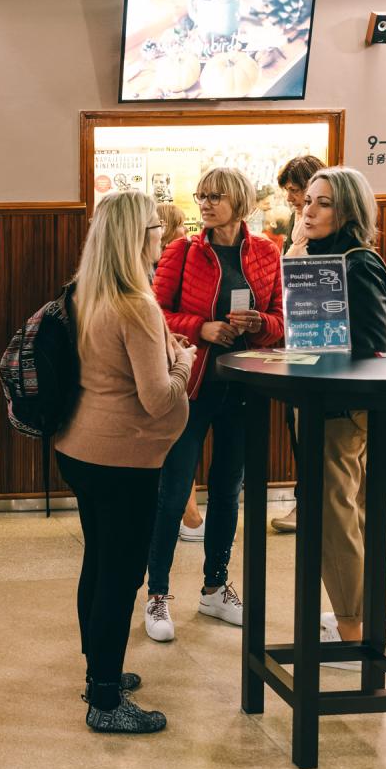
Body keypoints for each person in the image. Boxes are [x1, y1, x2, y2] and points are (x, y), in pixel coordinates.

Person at [55, 190, 194, 732]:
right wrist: (183, 362)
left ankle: (100, 671)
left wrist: (163, 351)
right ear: (139, 237)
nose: (163, 235)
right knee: (121, 576)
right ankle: (107, 703)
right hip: (124, 457)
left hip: (80, 447)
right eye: (156, 227)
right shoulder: (136, 304)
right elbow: (158, 398)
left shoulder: (85, 293)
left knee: (99, 563)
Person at [143, 167, 284, 642]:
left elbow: (281, 319)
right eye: (201, 196)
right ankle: (157, 593)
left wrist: (259, 323)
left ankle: (215, 587)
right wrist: (201, 328)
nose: (204, 204)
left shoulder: (266, 252)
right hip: (192, 387)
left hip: (243, 387)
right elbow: (155, 314)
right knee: (172, 491)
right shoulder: (182, 251)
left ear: (239, 201)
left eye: (214, 196)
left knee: (227, 491)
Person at [300, 166, 386, 665]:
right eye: (307, 200)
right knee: (342, 512)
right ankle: (358, 619)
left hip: (341, 410)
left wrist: (326, 351)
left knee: (333, 518)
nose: (308, 210)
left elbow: (376, 344)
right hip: (327, 406)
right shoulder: (320, 256)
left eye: (323, 203)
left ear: (349, 211)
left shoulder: (356, 264)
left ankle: (353, 630)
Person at [269, 154, 325, 534]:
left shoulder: (319, 230)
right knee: (299, 425)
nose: (290, 198)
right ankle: (307, 503)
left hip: (318, 339)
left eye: (294, 190)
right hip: (299, 336)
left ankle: (309, 505)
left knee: (312, 429)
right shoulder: (298, 222)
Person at [156, 204, 205, 543]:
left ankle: (185, 516)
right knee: (179, 447)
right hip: (170, 373)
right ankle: (189, 517)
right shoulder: (167, 268)